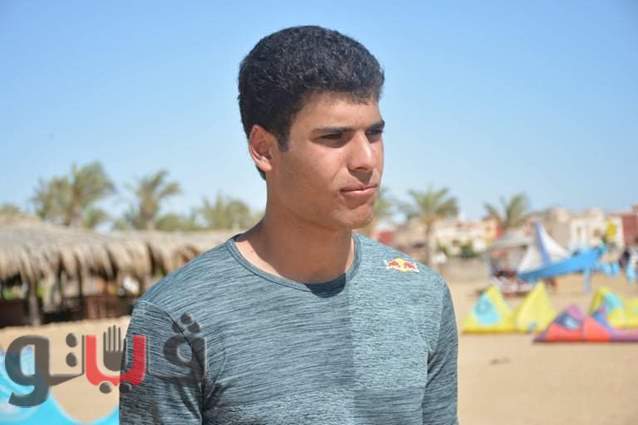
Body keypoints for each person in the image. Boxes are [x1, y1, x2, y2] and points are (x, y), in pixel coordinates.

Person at [120, 25, 458, 425]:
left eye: (374, 133)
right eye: (334, 137)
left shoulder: (421, 295)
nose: (366, 160)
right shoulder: (177, 318)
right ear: (264, 149)